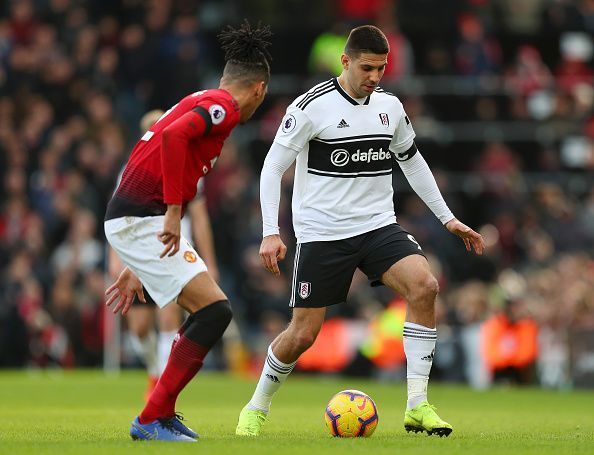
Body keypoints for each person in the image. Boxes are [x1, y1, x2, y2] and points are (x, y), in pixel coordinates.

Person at [235, 25, 484, 438]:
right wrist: (269, 231)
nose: (374, 76)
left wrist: (447, 218)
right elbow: (272, 168)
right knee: (303, 335)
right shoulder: (311, 107)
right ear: (345, 61)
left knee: (425, 286)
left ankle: (418, 405)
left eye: (381, 68)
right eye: (367, 67)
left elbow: (412, 160)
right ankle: (256, 406)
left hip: (377, 225)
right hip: (322, 233)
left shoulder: (390, 106)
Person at [103, 21, 271, 442]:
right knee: (215, 311)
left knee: (210, 310)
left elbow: (159, 147)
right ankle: (151, 417)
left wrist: (138, 259)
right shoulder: (225, 107)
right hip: (144, 217)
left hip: (136, 219)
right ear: (258, 89)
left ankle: (161, 411)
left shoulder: (203, 98)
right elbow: (173, 137)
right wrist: (174, 212)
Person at [108, 110, 220, 403]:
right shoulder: (132, 171)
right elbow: (121, 215)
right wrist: (116, 258)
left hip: (174, 248)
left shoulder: (188, 168)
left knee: (169, 315)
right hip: (144, 250)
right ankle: (153, 369)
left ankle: (159, 388)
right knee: (139, 328)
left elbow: (199, 218)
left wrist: (210, 261)